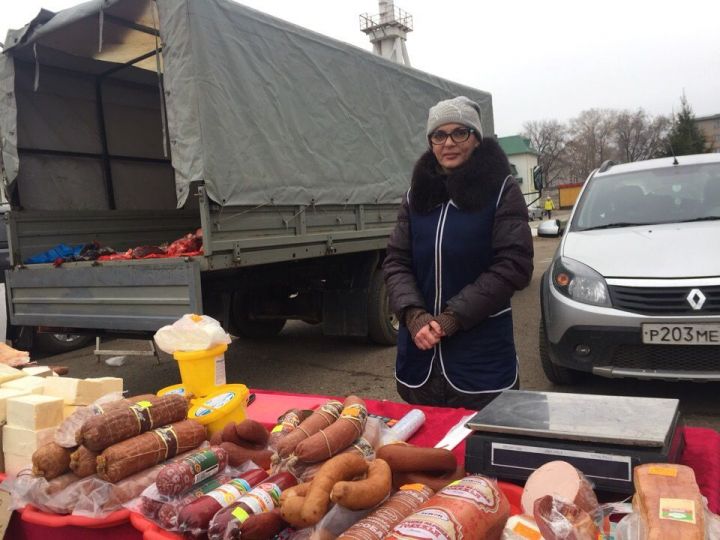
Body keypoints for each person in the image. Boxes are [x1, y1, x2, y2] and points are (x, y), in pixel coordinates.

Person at [382, 96, 533, 410]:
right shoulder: (416, 196)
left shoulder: (501, 190)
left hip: (480, 361)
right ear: (431, 142)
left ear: (476, 139)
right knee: (426, 450)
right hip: (420, 356)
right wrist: (412, 315)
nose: (448, 143)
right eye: (439, 135)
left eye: (459, 133)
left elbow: (514, 265)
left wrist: (452, 318)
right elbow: (396, 260)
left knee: (477, 450)